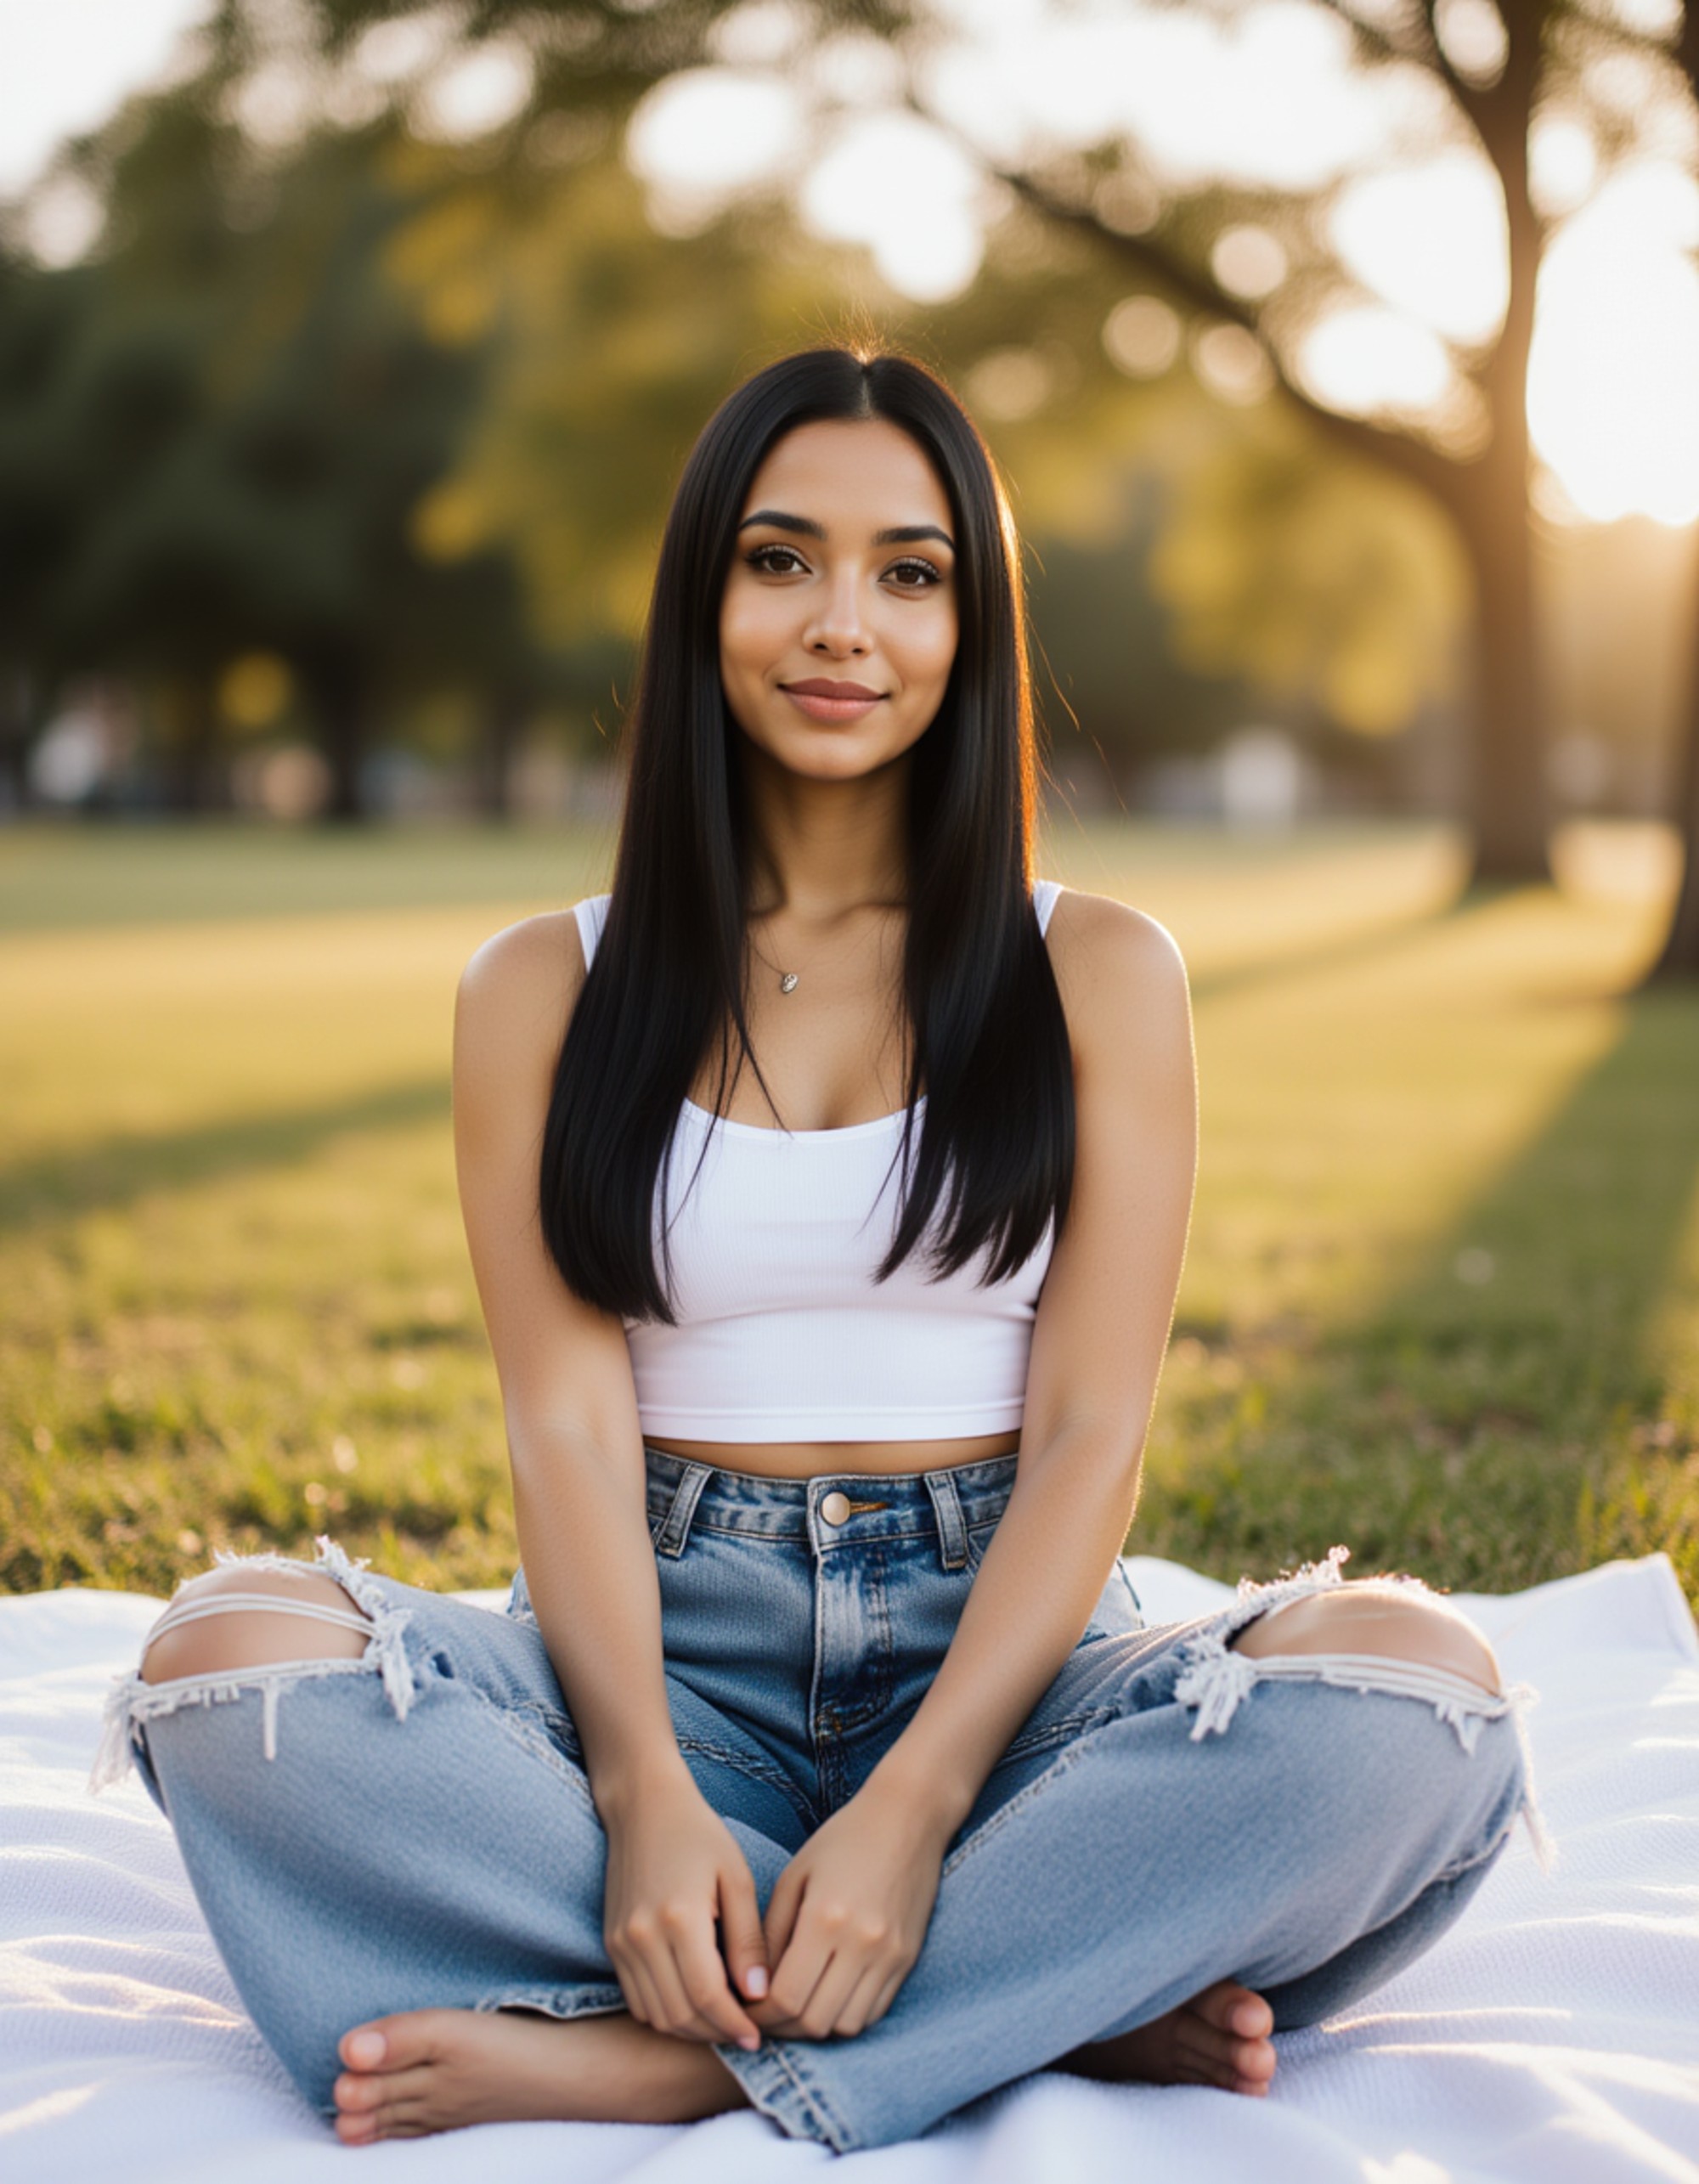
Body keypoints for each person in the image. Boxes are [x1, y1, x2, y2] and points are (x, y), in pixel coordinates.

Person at [97, 346, 1544, 2155]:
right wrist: (635, 1792)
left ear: (972, 620)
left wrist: (922, 1804)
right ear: (704, 595)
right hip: (655, 1642)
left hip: (1003, 1670)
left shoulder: (1098, 967)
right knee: (222, 1664)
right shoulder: (540, 987)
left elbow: (1094, 1432)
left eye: (908, 572)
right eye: (780, 559)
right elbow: (563, 1427)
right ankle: (1050, 1988)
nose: (840, 621)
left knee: (1413, 1692)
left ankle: (686, 2048)